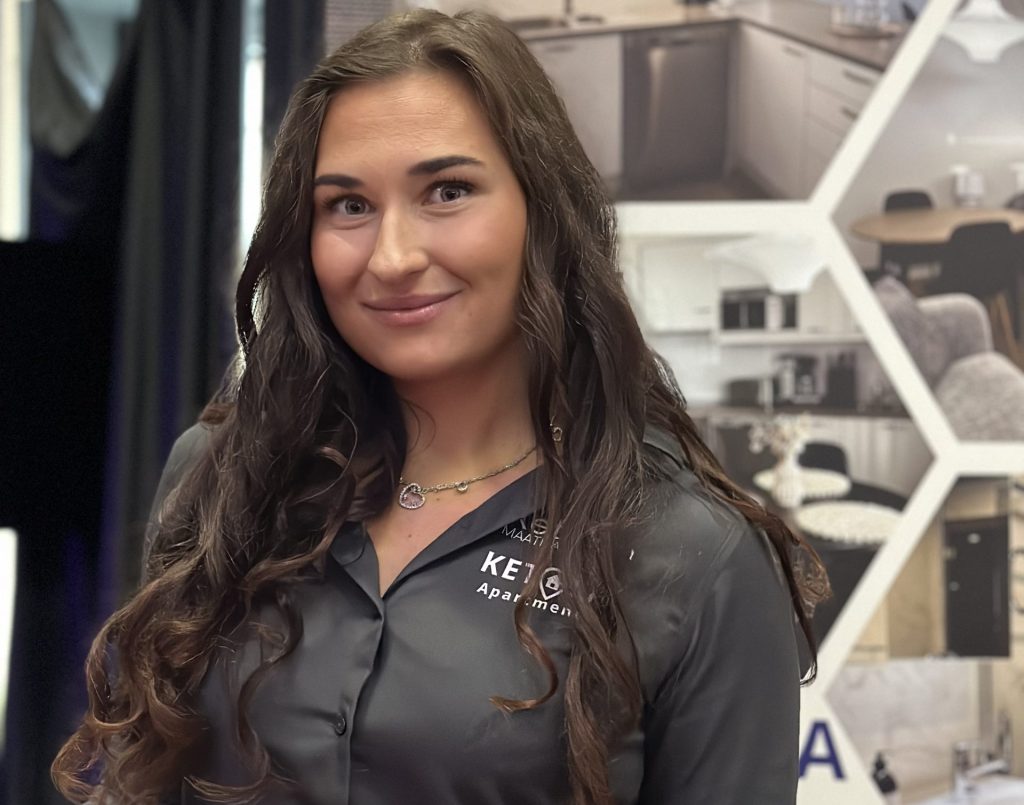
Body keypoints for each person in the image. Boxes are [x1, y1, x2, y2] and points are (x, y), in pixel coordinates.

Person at [52, 9, 826, 805]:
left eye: (448, 192)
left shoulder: (696, 557)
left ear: (543, 212)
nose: (392, 257)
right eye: (348, 205)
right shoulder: (223, 478)